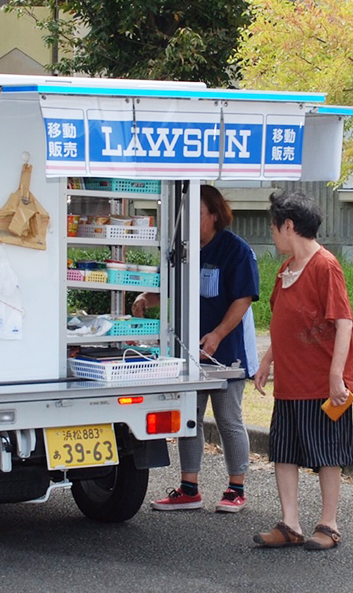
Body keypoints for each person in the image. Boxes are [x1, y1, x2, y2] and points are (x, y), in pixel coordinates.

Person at [135, 184, 260, 514]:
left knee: (228, 419)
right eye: (185, 213)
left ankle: (237, 488)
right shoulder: (183, 248)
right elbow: (170, 287)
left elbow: (243, 299)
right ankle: (189, 488)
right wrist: (148, 298)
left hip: (227, 351)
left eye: (196, 213)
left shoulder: (237, 251)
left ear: (214, 216)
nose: (189, 220)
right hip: (188, 351)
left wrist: (217, 335)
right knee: (189, 417)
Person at [252, 190, 353, 551]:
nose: (272, 235)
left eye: (274, 227)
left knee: (327, 454)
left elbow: (344, 322)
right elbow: (284, 323)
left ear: (288, 226)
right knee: (284, 451)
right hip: (289, 379)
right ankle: (290, 524)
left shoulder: (325, 265)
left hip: (319, 380)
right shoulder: (286, 269)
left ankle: (328, 525)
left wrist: (336, 377)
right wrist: (268, 359)